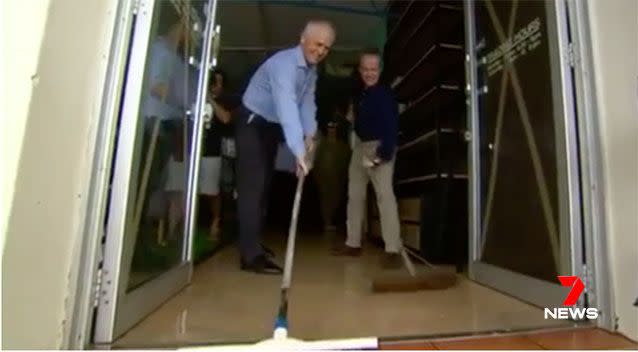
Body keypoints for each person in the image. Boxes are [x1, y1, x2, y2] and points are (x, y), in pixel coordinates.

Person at [236, 20, 336, 274]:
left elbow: (306, 104)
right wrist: (298, 152)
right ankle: (250, 257)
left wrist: (310, 137)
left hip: (270, 126)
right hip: (252, 122)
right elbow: (288, 108)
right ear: (303, 39)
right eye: (318, 44)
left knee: (265, 184)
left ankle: (253, 243)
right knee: (253, 186)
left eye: (326, 47)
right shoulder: (284, 65)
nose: (321, 50)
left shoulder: (310, 71)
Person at [332, 48, 403, 269]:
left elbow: (392, 128)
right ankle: (353, 243)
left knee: (384, 196)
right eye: (365, 69)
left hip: (380, 147)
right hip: (360, 149)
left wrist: (383, 154)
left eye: (373, 69)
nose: (369, 73)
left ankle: (393, 250)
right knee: (354, 195)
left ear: (379, 70)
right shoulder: (361, 94)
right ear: (360, 69)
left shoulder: (385, 95)